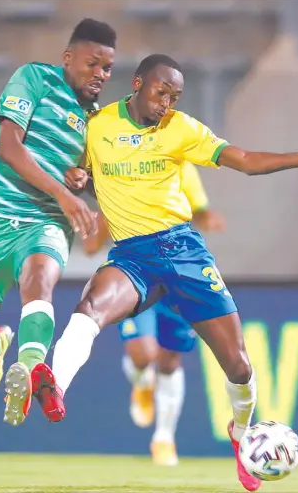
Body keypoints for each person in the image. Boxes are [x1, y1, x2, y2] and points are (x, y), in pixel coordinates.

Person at [46, 53, 298, 491]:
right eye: (162, 92)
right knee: (90, 307)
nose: (167, 102)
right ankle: (54, 385)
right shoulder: (99, 125)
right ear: (139, 83)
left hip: (182, 251)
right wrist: (73, 174)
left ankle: (241, 434)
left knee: (238, 366)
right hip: (132, 255)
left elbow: (241, 158)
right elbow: (75, 168)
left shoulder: (181, 129)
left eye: (175, 96)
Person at [0, 18, 116, 427]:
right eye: (93, 64)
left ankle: (31, 367)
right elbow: (9, 146)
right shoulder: (34, 78)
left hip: (45, 219)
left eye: (108, 69)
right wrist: (64, 188)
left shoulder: (96, 122)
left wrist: (83, 180)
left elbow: (89, 178)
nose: (100, 75)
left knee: (40, 273)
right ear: (68, 58)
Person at [82, 162, 226, 466]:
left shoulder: (180, 164)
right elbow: (109, 212)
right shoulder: (122, 162)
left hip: (180, 272)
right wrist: (96, 236)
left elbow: (197, 209)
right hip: (138, 273)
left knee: (169, 360)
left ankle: (164, 438)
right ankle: (142, 381)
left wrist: (206, 217)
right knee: (143, 354)